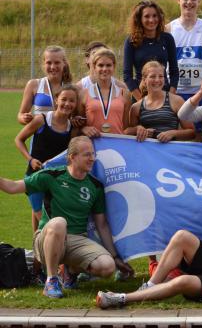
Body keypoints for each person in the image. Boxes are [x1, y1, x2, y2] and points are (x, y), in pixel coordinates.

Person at [0, 136, 133, 298]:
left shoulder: (95, 186)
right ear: (72, 157)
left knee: (107, 267)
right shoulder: (51, 176)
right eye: (86, 154)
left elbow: (102, 225)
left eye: (93, 154)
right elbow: (12, 187)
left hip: (76, 239)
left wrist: (115, 257)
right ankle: (51, 280)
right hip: (46, 237)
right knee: (58, 223)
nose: (92, 158)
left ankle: (69, 271)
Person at [15, 85, 78, 233]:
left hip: (56, 183)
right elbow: (19, 140)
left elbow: (70, 155)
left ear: (76, 104)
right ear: (56, 100)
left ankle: (38, 252)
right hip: (35, 178)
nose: (67, 104)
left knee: (44, 223)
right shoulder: (41, 120)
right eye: (64, 99)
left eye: (72, 101)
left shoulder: (72, 129)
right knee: (46, 223)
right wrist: (30, 159)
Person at [125, 61, 195, 143]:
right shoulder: (136, 107)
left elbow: (192, 132)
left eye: (161, 76)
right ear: (144, 80)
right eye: (153, 76)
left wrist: (173, 133)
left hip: (170, 153)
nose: (157, 80)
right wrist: (137, 130)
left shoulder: (177, 101)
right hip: (146, 153)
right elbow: (127, 133)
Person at [123, 0, 178, 102]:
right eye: (147, 16)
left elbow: (174, 71)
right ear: (139, 19)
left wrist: (169, 98)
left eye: (155, 16)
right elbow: (127, 76)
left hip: (164, 95)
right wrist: (142, 102)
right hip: (141, 96)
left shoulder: (167, 39)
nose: (151, 20)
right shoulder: (131, 41)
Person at [80, 48, 131, 137]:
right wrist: (83, 128)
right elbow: (79, 124)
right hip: (92, 145)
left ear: (114, 66)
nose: (104, 69)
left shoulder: (125, 94)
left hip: (116, 147)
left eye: (108, 65)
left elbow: (126, 127)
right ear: (94, 67)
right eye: (100, 65)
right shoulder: (83, 94)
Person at [18, 45, 72, 125]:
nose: (53, 67)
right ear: (44, 64)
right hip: (39, 136)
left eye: (57, 62)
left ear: (64, 63)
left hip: (63, 136)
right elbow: (21, 115)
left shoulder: (71, 88)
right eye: (49, 63)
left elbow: (74, 116)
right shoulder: (33, 85)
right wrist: (24, 118)